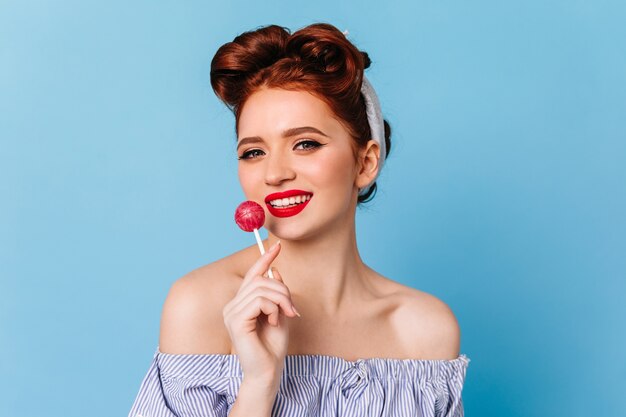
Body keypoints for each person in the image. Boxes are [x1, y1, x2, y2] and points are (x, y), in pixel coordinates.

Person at [128, 22, 469, 417]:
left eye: (305, 143)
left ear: (366, 162)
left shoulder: (425, 329)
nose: (275, 173)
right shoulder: (201, 305)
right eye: (253, 152)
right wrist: (259, 383)